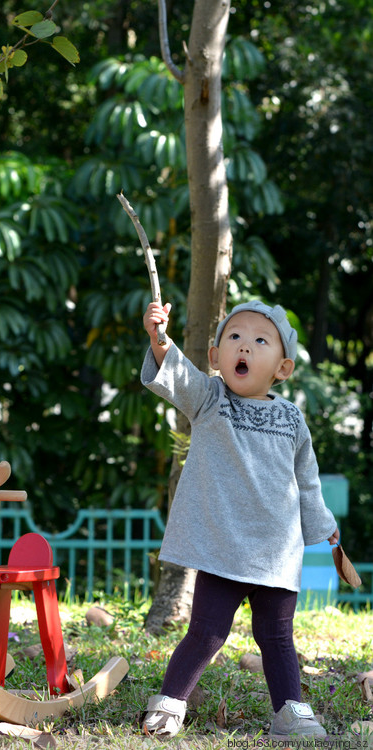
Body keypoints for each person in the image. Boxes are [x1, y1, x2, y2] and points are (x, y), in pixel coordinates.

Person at [141, 299, 339, 738]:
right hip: (223, 546)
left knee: (277, 637)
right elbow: (176, 376)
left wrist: (322, 524)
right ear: (215, 357)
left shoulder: (291, 418)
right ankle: (171, 703)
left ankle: (289, 711)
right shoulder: (210, 400)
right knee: (208, 632)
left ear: (282, 368)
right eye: (233, 338)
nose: (243, 347)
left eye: (258, 340)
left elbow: (307, 480)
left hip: (277, 552)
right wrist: (159, 338)